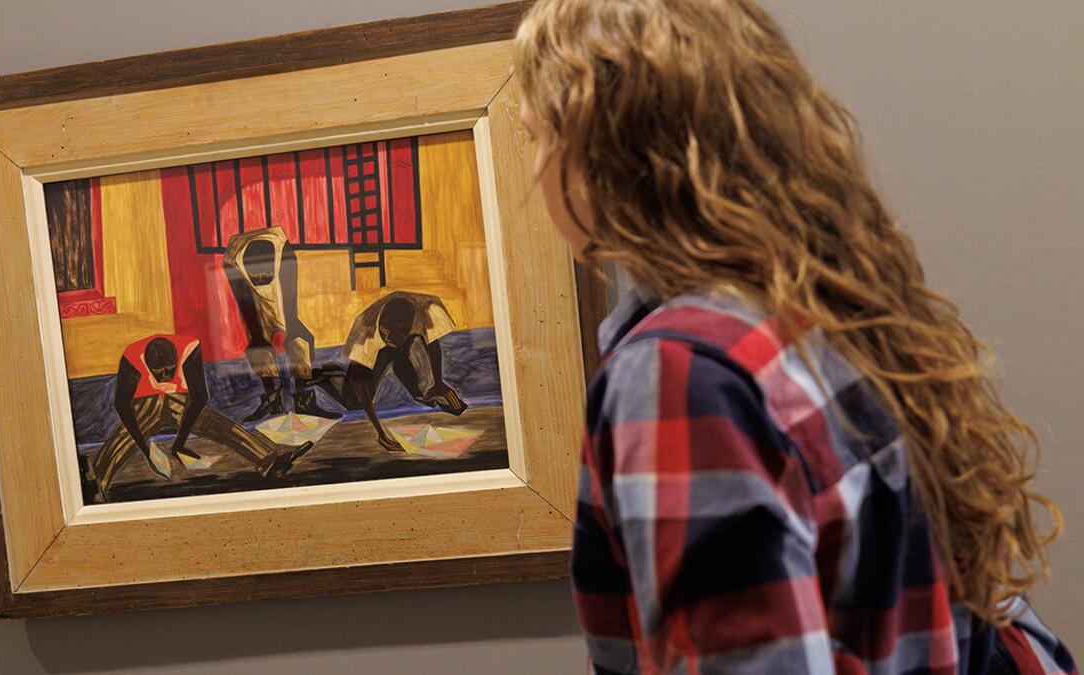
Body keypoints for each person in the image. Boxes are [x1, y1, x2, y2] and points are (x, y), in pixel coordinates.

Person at [513, 1, 1076, 673]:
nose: (536, 169)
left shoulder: (681, 373)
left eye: (536, 137)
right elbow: (1015, 639)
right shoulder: (852, 321)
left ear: (602, 150)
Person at [82, 334, 311, 502]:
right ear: (148, 365)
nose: (165, 376)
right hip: (147, 403)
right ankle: (96, 481)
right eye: (159, 372)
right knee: (124, 438)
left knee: (220, 426)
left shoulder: (189, 349)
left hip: (179, 401)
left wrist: (179, 443)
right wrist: (146, 451)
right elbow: (122, 406)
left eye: (169, 369)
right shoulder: (132, 357)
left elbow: (200, 397)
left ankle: (271, 461)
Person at [310, 291, 467, 451]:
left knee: (422, 391)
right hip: (376, 351)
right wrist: (381, 434)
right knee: (353, 402)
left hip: (406, 342)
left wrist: (438, 384)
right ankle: (326, 373)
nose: (388, 338)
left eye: (395, 336)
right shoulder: (364, 334)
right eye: (386, 334)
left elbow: (433, 345)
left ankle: (425, 386)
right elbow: (358, 383)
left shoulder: (429, 309)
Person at [223, 226, 335, 421]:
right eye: (256, 277)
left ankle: (302, 400)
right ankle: (272, 401)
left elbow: (290, 301)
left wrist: (293, 329)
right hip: (256, 304)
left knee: (301, 340)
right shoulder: (233, 263)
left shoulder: (285, 256)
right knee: (257, 347)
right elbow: (245, 306)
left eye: (265, 276)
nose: (260, 279)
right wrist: (258, 337)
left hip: (282, 298)